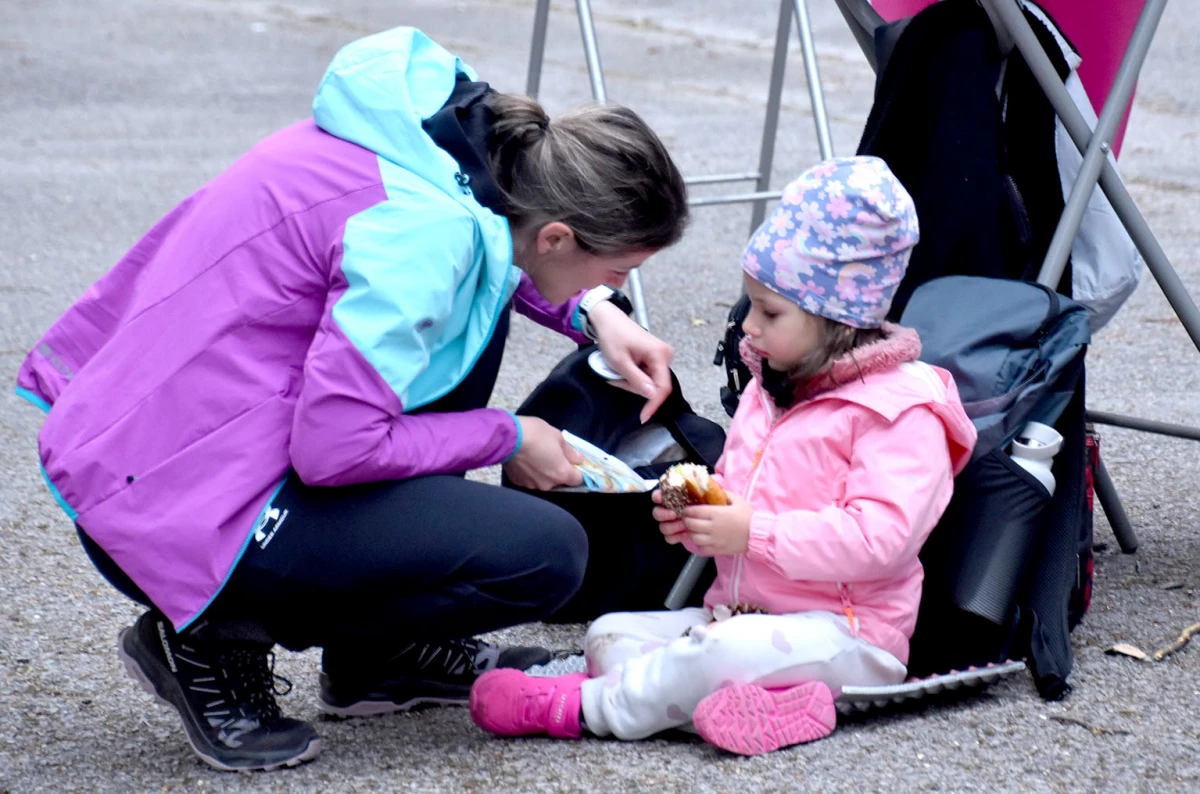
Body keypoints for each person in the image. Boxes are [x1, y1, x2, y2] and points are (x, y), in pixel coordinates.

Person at [15, 27, 689, 772]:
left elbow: (510, 252)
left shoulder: (449, 150)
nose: (621, 286)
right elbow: (335, 448)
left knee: (474, 313)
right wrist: (508, 435)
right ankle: (211, 634)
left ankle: (380, 658)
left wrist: (594, 310)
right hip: (172, 506)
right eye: (621, 270)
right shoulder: (424, 238)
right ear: (559, 234)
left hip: (171, 442)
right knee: (547, 556)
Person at [469, 156, 978, 756]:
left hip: (848, 636)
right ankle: (771, 709)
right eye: (750, 307)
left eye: (770, 313)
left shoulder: (898, 410)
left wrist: (750, 532)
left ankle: (582, 708)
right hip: (744, 616)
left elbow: (881, 540)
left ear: (836, 316)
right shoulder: (777, 385)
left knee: (716, 654)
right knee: (610, 634)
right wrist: (697, 522)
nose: (748, 331)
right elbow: (741, 504)